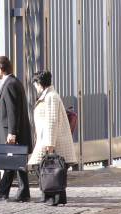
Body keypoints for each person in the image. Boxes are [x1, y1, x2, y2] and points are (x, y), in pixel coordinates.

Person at [0, 56, 32, 202]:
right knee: (14, 162)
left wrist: (12, 132)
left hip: (12, 132)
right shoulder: (12, 81)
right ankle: (9, 192)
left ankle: (13, 192)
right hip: (14, 130)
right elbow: (11, 106)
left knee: (14, 161)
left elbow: (13, 111)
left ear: (1, 69)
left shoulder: (10, 83)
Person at [28, 71, 77, 206]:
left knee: (47, 168)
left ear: (40, 84)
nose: (35, 88)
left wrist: (50, 146)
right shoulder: (48, 95)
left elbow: (52, 121)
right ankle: (54, 197)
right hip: (47, 140)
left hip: (52, 141)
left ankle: (52, 196)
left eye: (36, 85)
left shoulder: (51, 97)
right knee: (52, 170)